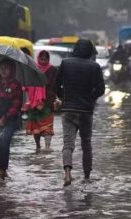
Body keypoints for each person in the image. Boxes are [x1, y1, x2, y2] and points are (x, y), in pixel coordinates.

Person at [54, 39, 105, 187]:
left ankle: (68, 174)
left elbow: (56, 86)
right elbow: (100, 90)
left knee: (68, 144)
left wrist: (64, 97)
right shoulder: (95, 66)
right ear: (90, 51)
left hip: (68, 109)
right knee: (86, 144)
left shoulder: (65, 63)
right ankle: (87, 176)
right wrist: (89, 98)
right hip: (85, 111)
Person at [25, 50, 58, 150]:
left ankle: (47, 147)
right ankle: (38, 146)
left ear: (48, 59)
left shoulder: (52, 70)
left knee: (48, 128)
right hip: (34, 104)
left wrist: (51, 98)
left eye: (45, 59)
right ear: (38, 59)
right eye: (41, 59)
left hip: (48, 103)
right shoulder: (33, 69)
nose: (43, 61)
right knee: (36, 128)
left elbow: (55, 85)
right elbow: (28, 85)